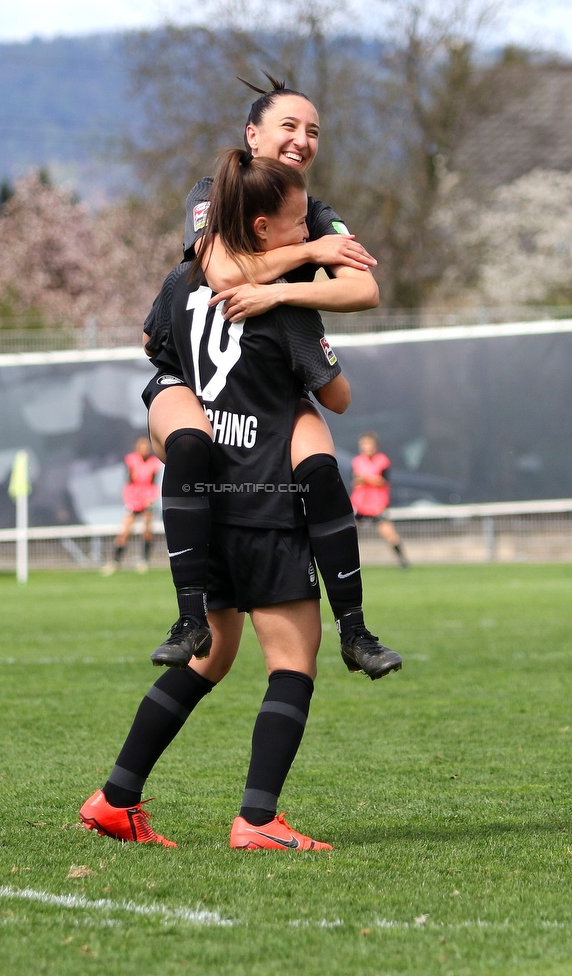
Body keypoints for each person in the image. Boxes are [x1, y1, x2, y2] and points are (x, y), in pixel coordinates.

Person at [79, 151, 400, 851]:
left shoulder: (179, 283)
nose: (306, 236)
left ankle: (116, 797)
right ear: (262, 228)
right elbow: (339, 396)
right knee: (292, 659)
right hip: (263, 494)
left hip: (203, 507)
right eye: (296, 226)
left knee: (212, 655)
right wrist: (305, 320)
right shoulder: (283, 303)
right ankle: (257, 820)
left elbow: (151, 344)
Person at [142, 74, 398, 678]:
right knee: (189, 444)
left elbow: (364, 287)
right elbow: (222, 269)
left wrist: (279, 295)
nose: (302, 139)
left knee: (319, 470)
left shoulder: (313, 211)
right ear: (252, 134)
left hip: (269, 391)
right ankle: (187, 615)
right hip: (199, 383)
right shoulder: (215, 193)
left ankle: (356, 632)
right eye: (289, 125)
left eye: (313, 131)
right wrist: (309, 257)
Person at [101, 437, 162, 575]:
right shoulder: (131, 460)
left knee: (147, 532)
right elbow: (129, 479)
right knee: (124, 532)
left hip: (147, 499)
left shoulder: (153, 462)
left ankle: (144, 561)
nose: (145, 449)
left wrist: (151, 499)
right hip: (133, 499)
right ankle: (115, 561)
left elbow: (153, 482)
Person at [351, 432, 410, 569]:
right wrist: (368, 479)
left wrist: (366, 478)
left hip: (377, 504)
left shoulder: (382, 461)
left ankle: (403, 561)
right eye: (364, 444)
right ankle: (346, 563)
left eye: (369, 444)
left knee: (389, 533)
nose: (366, 447)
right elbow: (355, 481)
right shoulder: (357, 461)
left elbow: (382, 481)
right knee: (349, 534)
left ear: (375, 446)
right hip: (360, 504)